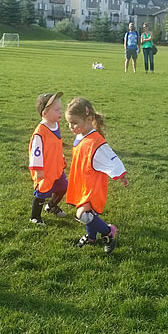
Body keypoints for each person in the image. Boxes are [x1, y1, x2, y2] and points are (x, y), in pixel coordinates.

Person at [65, 97, 129, 254]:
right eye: (69, 123)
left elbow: (111, 158)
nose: (71, 127)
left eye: (74, 122)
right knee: (89, 213)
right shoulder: (81, 135)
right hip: (83, 182)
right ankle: (91, 236)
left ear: (89, 119)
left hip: (93, 185)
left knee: (82, 214)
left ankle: (108, 232)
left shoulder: (95, 142)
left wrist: (121, 175)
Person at [28, 92, 69, 226]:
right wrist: (38, 170)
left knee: (63, 187)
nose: (60, 112)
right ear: (44, 113)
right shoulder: (40, 132)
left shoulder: (56, 125)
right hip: (45, 170)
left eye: (60, 109)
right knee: (42, 192)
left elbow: (57, 145)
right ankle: (35, 217)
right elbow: (36, 153)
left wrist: (62, 158)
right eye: (56, 110)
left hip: (56, 167)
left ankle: (51, 206)